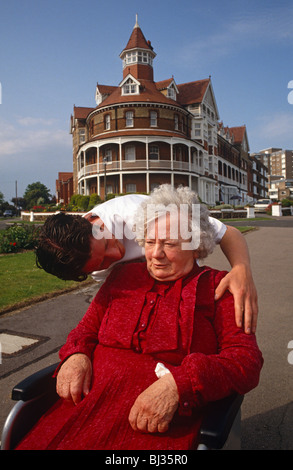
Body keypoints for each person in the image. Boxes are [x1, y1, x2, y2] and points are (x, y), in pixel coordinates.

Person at [17, 186, 263, 450]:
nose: (156, 254)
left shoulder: (217, 288)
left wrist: (180, 384)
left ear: (197, 247)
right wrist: (76, 355)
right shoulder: (120, 276)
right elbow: (84, 331)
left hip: (155, 427)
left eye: (169, 244)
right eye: (149, 241)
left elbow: (245, 362)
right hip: (85, 407)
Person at [36, 186, 258, 334]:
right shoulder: (84, 259)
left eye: (106, 245)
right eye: (103, 264)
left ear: (94, 222)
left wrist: (241, 269)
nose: (116, 257)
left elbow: (225, 232)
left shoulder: (142, 212)